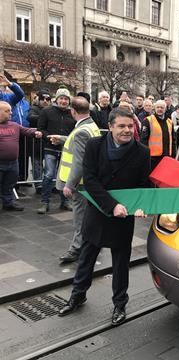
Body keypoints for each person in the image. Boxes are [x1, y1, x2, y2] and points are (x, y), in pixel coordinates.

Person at [58, 108, 151, 326]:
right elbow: (90, 179)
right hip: (99, 211)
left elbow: (143, 185)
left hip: (123, 217)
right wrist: (112, 205)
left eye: (130, 126)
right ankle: (77, 296)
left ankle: (119, 304)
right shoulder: (95, 145)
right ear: (110, 126)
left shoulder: (142, 152)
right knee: (86, 258)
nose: (127, 130)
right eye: (122, 126)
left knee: (120, 263)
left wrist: (140, 206)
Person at [51, 97, 101, 263]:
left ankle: (76, 249)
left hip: (79, 184)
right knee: (86, 216)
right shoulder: (91, 126)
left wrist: (69, 185)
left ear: (73, 111)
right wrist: (63, 138)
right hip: (87, 181)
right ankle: (89, 244)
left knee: (79, 218)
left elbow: (79, 162)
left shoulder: (81, 131)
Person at [37, 87, 76, 214]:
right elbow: (41, 128)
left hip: (66, 149)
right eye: (61, 98)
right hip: (50, 148)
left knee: (65, 176)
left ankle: (64, 201)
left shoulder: (72, 113)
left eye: (66, 99)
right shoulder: (47, 111)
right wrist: (50, 138)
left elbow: (75, 131)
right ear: (56, 99)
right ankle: (45, 202)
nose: (64, 101)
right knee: (48, 175)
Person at [0, 101, 42, 211]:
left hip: (13, 163)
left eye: (10, 110)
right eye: (7, 111)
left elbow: (27, 131)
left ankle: (8, 203)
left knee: (9, 185)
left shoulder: (14, 125)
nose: (11, 113)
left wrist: (37, 132)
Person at [140, 99, 176, 169]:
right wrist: (144, 156)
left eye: (162, 107)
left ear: (165, 109)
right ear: (154, 108)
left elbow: (173, 140)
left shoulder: (170, 122)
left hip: (166, 156)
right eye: (158, 107)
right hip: (153, 157)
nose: (159, 109)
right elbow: (143, 140)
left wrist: (173, 155)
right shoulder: (148, 120)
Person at [28, 90, 51, 193]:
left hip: (48, 143)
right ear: (39, 99)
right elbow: (30, 118)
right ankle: (38, 185)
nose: (45, 101)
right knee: (37, 164)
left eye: (48, 99)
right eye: (43, 99)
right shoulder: (34, 108)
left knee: (49, 166)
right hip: (36, 143)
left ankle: (50, 184)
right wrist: (45, 118)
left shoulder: (52, 110)